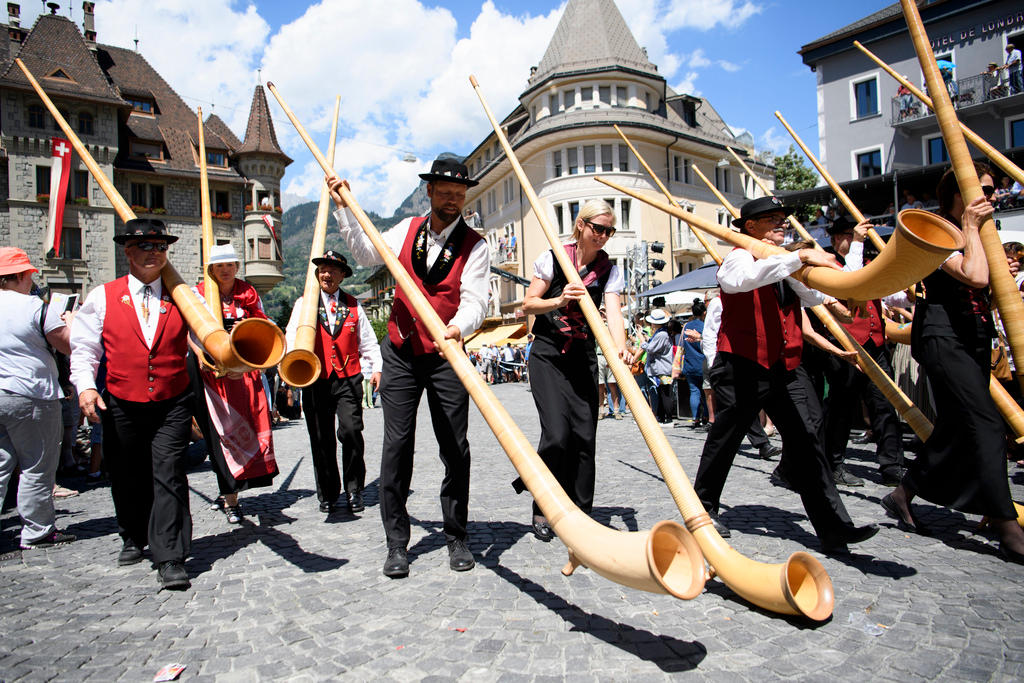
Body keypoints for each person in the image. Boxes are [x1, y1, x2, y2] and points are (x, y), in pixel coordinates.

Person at [327, 158, 488, 578]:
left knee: (455, 446)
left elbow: (476, 301)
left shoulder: (475, 245)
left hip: (445, 355)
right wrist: (344, 207)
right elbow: (364, 254)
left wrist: (457, 328)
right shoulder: (405, 228)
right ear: (430, 192)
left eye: (459, 193)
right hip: (399, 351)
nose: (453, 199)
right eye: (445, 192)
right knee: (396, 447)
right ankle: (396, 543)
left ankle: (456, 534)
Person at [692, 197, 877, 553]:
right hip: (740, 364)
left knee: (806, 441)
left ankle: (834, 526)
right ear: (750, 227)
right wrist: (797, 258)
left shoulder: (783, 264)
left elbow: (814, 296)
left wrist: (841, 272)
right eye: (772, 219)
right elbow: (739, 282)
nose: (783, 225)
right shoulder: (739, 256)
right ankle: (703, 508)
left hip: (779, 367)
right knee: (726, 439)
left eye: (783, 220)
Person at [882, 163, 1024, 563]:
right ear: (958, 192)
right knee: (985, 421)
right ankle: (1004, 521)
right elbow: (974, 275)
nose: (992, 196)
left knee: (956, 430)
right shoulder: (936, 230)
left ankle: (902, 494)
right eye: (983, 189)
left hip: (975, 336)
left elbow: (986, 293)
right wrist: (971, 227)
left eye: (994, 190)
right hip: (942, 337)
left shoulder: (981, 231)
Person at [70, 219, 194, 590]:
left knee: (169, 472)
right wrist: (86, 389)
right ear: (128, 251)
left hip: (172, 399)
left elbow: (207, 337)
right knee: (126, 473)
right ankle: (131, 534)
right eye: (146, 247)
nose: (154, 253)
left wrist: (227, 360)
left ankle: (170, 556)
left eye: (160, 247)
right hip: (121, 400)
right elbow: (85, 349)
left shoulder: (185, 295)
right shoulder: (102, 296)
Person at [521, 199, 627, 542]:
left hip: (582, 356)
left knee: (584, 435)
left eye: (609, 230)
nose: (603, 236)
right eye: (598, 228)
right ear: (580, 226)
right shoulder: (553, 257)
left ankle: (582, 512)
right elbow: (528, 304)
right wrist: (559, 300)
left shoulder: (610, 270)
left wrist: (620, 348)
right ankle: (544, 505)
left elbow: (614, 313)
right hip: (549, 355)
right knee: (556, 434)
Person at [188, 244, 278, 525]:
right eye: (219, 266)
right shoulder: (198, 294)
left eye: (230, 265)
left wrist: (249, 363)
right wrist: (200, 353)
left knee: (248, 428)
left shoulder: (248, 292)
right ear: (211, 269)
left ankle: (236, 488)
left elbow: (260, 327)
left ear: (237, 267)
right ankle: (230, 498)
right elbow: (188, 330)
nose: (225, 270)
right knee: (219, 436)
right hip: (210, 372)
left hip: (243, 370)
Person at [285, 250, 381, 515]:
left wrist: (376, 368)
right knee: (321, 438)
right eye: (322, 270)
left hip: (348, 378)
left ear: (342, 275)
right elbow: (291, 337)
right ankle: (327, 493)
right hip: (315, 380)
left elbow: (367, 340)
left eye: (332, 270)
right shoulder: (304, 303)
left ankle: (353, 489)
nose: (326, 274)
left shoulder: (353, 304)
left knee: (351, 432)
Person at [0, 247, 76, 550]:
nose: (32, 280)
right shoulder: (35, 306)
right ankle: (37, 531)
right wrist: (69, 321)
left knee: (2, 463)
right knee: (37, 465)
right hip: (31, 394)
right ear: (19, 276)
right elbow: (68, 345)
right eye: (29, 275)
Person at [822, 217, 906, 487]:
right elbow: (851, 283)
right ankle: (834, 464)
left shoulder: (869, 264)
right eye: (849, 234)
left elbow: (891, 295)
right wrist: (857, 242)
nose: (856, 238)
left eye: (857, 235)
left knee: (885, 405)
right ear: (836, 240)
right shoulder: (828, 266)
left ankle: (892, 465)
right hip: (845, 347)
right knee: (841, 409)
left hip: (875, 344)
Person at [680, 300, 708, 428]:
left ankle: (695, 418)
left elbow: (681, 345)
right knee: (706, 392)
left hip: (689, 363)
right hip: (702, 362)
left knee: (694, 391)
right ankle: (707, 416)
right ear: (704, 312)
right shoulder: (705, 325)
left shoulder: (686, 326)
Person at [644, 309, 674, 423]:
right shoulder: (662, 333)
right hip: (662, 367)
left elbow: (651, 349)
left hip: (663, 368)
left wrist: (643, 342)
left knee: (664, 393)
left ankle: (668, 417)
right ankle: (662, 416)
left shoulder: (661, 334)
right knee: (662, 392)